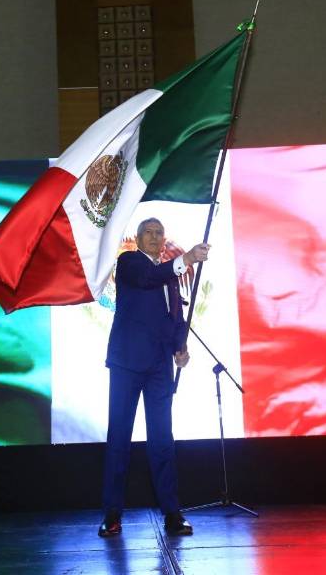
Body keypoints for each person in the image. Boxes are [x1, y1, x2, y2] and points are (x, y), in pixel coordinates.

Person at [99, 217, 210, 537]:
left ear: (164, 241)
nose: (153, 236)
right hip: (127, 364)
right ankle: (112, 514)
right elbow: (148, 278)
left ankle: (172, 513)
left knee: (162, 439)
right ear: (138, 238)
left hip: (160, 367)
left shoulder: (171, 279)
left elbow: (174, 318)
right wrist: (187, 258)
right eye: (148, 232)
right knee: (119, 439)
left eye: (159, 233)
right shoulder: (129, 263)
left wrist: (180, 348)